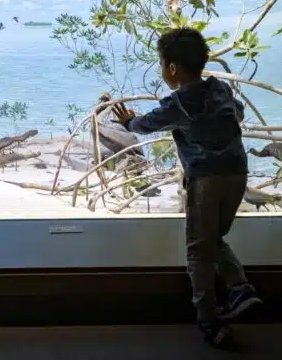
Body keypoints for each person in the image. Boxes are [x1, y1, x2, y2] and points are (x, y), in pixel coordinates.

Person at [110, 27, 262, 348]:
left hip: (205, 179)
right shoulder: (220, 89)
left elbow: (145, 125)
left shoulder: (177, 104)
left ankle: (209, 320)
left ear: (172, 68)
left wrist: (127, 122)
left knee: (198, 250)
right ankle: (239, 287)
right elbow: (238, 113)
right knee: (213, 239)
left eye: (161, 64)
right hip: (237, 172)